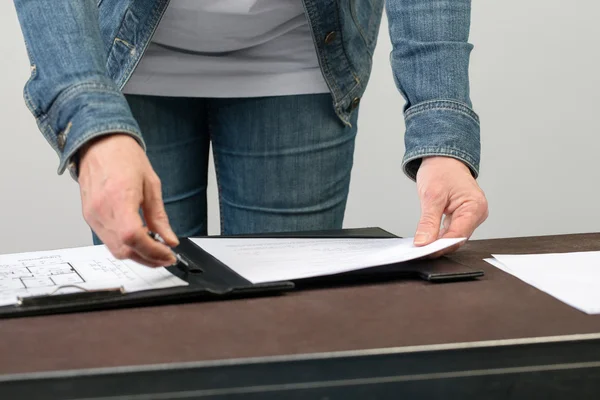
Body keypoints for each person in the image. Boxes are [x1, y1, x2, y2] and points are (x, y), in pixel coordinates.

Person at [13, 0, 488, 268]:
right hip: (127, 52)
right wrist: (92, 127)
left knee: (284, 331)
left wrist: (440, 130)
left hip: (298, 48)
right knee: (146, 328)